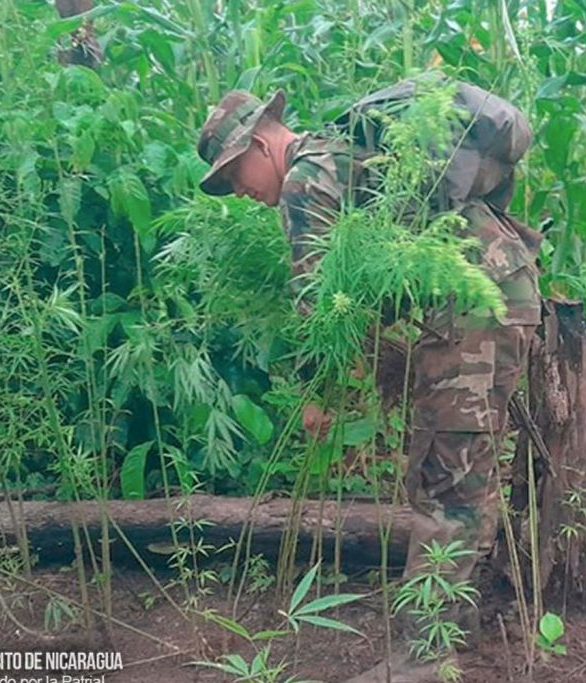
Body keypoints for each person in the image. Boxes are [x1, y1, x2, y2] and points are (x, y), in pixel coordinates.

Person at [196, 77, 542, 683]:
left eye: (233, 178)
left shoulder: (306, 181)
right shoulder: (344, 153)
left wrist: (323, 394)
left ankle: (423, 660)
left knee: (444, 480)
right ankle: (448, 632)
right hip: (497, 293)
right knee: (466, 473)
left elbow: (325, 308)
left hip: (471, 311)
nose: (241, 194)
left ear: (258, 145)